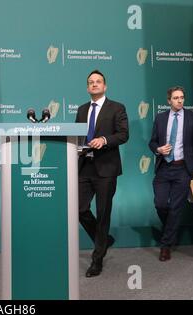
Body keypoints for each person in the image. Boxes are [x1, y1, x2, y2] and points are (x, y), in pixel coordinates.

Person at [75, 70, 129, 277]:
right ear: (88, 87)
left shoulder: (117, 108)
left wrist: (104, 140)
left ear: (105, 86)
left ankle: (97, 259)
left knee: (103, 213)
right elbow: (78, 137)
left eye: (98, 82)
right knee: (78, 209)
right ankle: (104, 240)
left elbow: (123, 134)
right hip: (84, 167)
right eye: (91, 82)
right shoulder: (81, 110)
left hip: (106, 168)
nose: (94, 84)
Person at [149, 86, 193, 261]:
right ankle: (170, 230)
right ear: (168, 100)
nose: (180, 100)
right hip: (164, 168)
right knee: (160, 204)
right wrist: (158, 149)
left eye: (182, 97)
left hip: (183, 169)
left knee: (175, 208)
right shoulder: (160, 118)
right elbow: (152, 142)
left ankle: (166, 245)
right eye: (175, 98)